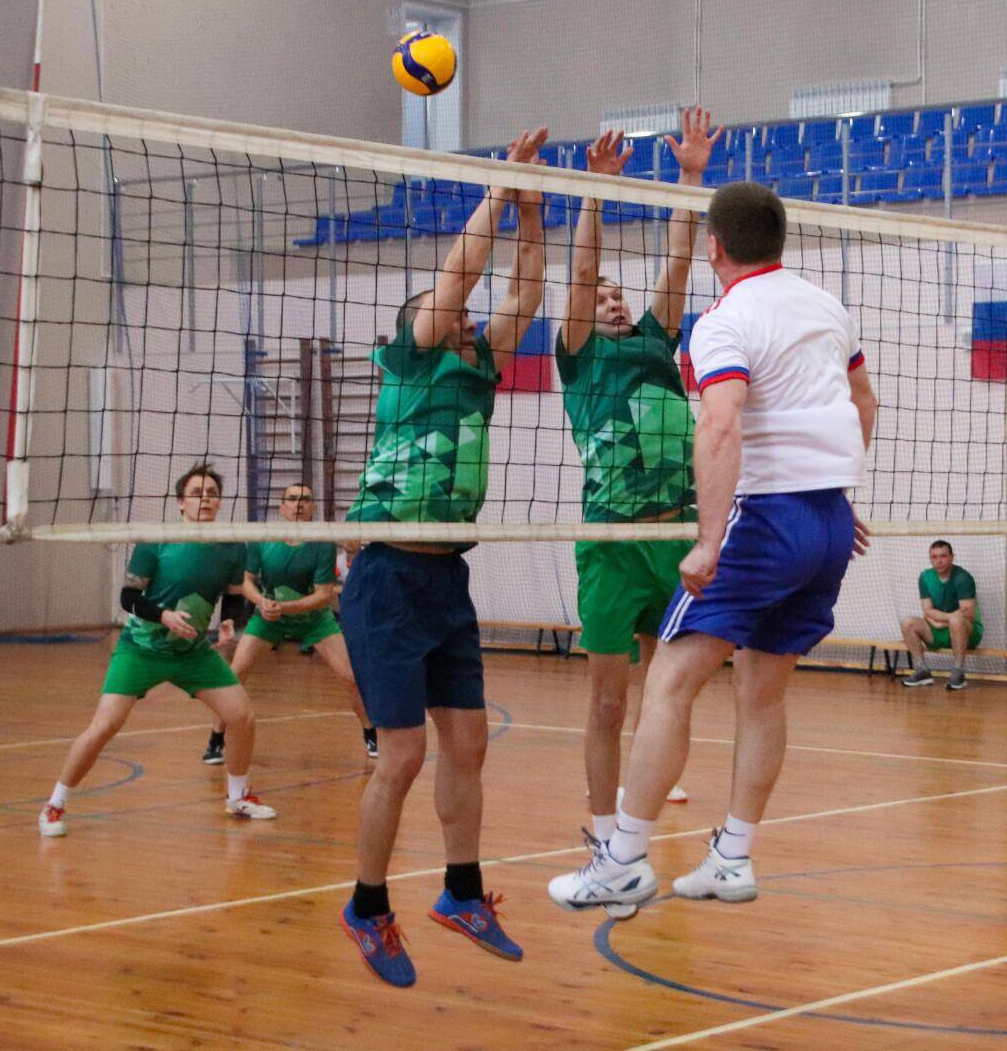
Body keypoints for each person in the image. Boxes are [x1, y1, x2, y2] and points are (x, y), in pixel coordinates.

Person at [547, 180, 877, 916]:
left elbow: (720, 425)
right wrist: (837, 489)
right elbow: (863, 402)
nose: (610, 302)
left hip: (758, 521)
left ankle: (622, 862)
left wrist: (708, 538)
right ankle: (731, 855)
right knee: (760, 692)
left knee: (667, 682)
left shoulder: (720, 321)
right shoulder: (828, 305)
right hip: (824, 519)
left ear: (714, 247)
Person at [334, 131, 551, 988]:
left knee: (467, 742)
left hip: (446, 577)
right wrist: (497, 190)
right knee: (402, 753)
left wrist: (533, 211)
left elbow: (524, 292)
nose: (463, 315)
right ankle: (367, 906)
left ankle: (461, 893)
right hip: (386, 577)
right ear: (416, 330)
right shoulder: (409, 362)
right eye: (445, 311)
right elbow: (458, 279)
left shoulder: (477, 367)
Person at [558, 111, 722, 842]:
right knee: (607, 700)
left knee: (669, 687)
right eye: (603, 298)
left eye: (618, 294)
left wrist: (689, 177)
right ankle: (601, 829)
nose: (613, 299)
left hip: (674, 538)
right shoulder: (580, 357)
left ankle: (646, 794)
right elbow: (581, 272)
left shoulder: (657, 341)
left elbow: (679, 263)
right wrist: (596, 191)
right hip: (611, 543)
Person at [39, 461, 274, 837]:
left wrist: (230, 621)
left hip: (193, 652)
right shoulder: (157, 540)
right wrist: (164, 616)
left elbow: (233, 595)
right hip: (141, 649)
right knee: (104, 726)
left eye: (212, 494)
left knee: (242, 716)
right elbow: (128, 597)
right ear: (181, 502)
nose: (205, 500)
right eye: (196, 494)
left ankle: (237, 796)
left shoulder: (232, 545)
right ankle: (55, 804)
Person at [200, 482, 376, 765]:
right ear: (282, 507)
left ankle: (371, 733)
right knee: (235, 674)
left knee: (351, 677)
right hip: (268, 618)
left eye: (305, 499)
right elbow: (246, 582)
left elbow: (323, 595)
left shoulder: (322, 543)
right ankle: (216, 739)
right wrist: (262, 603)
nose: (299, 504)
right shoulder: (264, 538)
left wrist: (284, 608)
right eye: (292, 499)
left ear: (312, 507)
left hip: (315, 620)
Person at [900, 539, 982, 690]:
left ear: (952, 557)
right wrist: (943, 620)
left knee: (957, 620)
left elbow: (968, 614)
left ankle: (958, 673)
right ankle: (922, 670)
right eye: (934, 557)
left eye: (943, 556)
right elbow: (927, 610)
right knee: (907, 622)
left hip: (967, 632)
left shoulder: (963, 578)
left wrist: (941, 621)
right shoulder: (925, 577)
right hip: (937, 630)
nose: (939, 561)